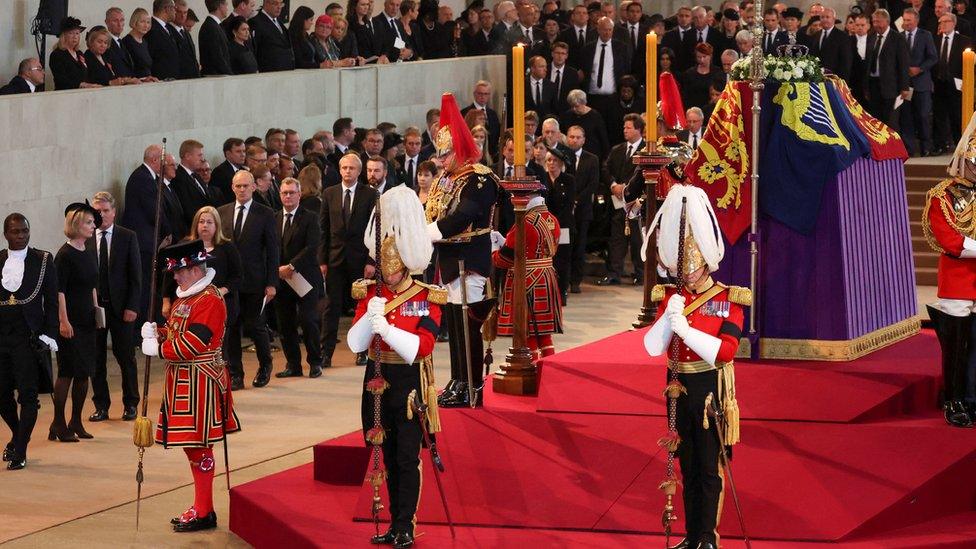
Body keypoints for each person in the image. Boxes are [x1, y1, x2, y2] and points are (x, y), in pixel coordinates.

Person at [643, 184, 750, 549]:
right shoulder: (673, 298)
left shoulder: (727, 299)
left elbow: (725, 352)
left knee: (708, 467)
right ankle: (690, 536)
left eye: (692, 270)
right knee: (685, 466)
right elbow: (652, 348)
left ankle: (708, 536)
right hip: (677, 389)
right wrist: (666, 320)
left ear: (706, 262)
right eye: (683, 272)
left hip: (709, 392)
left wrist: (685, 329)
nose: (687, 277)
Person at [348, 186, 445, 549]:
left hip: (408, 384)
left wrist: (385, 327)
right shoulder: (370, 294)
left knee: (406, 457)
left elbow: (422, 347)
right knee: (384, 456)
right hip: (375, 377)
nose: (386, 276)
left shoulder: (425, 296)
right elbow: (355, 345)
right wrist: (368, 319)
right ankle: (391, 522)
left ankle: (406, 523)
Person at [141, 239, 241, 532]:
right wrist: (158, 333)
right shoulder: (187, 297)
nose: (175, 276)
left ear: (196, 269)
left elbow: (193, 345)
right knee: (192, 448)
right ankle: (202, 506)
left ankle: (204, 510)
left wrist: (158, 350)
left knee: (199, 447)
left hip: (201, 380)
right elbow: (177, 332)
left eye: (179, 271)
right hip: (183, 380)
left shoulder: (208, 299)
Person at [425, 93, 499, 408]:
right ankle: (458, 379)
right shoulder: (447, 179)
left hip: (470, 259)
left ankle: (472, 385)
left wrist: (429, 232)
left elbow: (464, 215)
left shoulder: (479, 180)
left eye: (445, 155)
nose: (440, 161)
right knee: (454, 322)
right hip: (449, 258)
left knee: (468, 324)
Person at [923, 123, 976, 427]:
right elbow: (950, 240)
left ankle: (972, 397)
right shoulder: (942, 196)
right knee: (957, 346)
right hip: (958, 281)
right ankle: (954, 400)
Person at [0, 214, 59, 470]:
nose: (21, 235)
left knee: (28, 395)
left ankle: (21, 450)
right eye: (15, 232)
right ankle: (17, 434)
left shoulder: (43, 260)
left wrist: (49, 333)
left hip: (29, 338)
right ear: (6, 234)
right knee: (2, 395)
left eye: (25, 231)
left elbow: (52, 302)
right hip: (2, 338)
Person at [218, 171, 280, 390]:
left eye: (246, 186)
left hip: (256, 280)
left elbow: (273, 251)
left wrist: (272, 282)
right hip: (231, 283)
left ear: (254, 187)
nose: (242, 189)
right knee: (232, 327)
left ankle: (265, 365)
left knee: (256, 325)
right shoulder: (222, 212)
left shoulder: (265, 213)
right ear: (232, 187)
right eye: (238, 186)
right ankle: (236, 373)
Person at [491, 170, 562, 360]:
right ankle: (549, 369)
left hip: (528, 280)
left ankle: (532, 372)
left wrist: (493, 248)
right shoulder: (552, 219)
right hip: (546, 276)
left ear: (527, 197)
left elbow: (504, 260)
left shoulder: (524, 222)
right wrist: (505, 240)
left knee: (527, 332)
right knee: (544, 336)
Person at [87, 193, 141, 423]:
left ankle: (131, 403)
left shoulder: (127, 237)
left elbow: (136, 276)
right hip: (94, 310)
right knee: (96, 359)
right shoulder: (86, 238)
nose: (102, 215)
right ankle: (101, 405)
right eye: (97, 211)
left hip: (121, 309)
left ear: (114, 211)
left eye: (105, 210)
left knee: (125, 357)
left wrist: (132, 306)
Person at [319, 153, 377, 368]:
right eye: (344, 168)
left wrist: (372, 260)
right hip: (334, 260)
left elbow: (375, 230)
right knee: (331, 307)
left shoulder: (370, 195)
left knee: (361, 307)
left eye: (351, 168)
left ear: (359, 171)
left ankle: (361, 350)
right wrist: (322, 260)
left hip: (361, 261)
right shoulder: (329, 193)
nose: (347, 171)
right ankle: (326, 353)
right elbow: (323, 229)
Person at [162, 207, 242, 357]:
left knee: (226, 349)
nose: (205, 225)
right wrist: (166, 301)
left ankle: (233, 375)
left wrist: (222, 291)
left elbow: (238, 276)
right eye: (202, 222)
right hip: (189, 306)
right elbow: (170, 275)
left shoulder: (227, 247)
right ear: (196, 225)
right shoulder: (186, 244)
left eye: (209, 222)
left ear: (216, 225)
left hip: (221, 302)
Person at [52, 202, 100, 443]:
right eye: (89, 222)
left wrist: (96, 311)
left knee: (85, 373)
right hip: (70, 322)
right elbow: (59, 292)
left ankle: (76, 420)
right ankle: (59, 423)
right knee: (68, 372)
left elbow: (92, 284)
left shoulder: (88, 250)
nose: (94, 226)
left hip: (87, 320)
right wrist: (63, 321)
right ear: (76, 225)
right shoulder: (64, 255)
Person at [274, 178, 324, 378]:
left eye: (292, 192)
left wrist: (292, 266)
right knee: (285, 324)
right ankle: (293, 364)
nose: (288, 196)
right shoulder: (274, 217)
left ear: (299, 194)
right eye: (284, 192)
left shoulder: (310, 217)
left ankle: (315, 362)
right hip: (281, 278)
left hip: (305, 277)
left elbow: (312, 246)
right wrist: (278, 268)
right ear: (280, 195)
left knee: (308, 320)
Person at [598, 113, 645, 287]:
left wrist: (629, 188)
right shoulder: (617, 149)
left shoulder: (647, 149)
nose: (624, 130)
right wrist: (613, 185)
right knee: (617, 238)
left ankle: (640, 274)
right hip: (619, 202)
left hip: (638, 204)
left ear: (639, 129)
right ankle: (614, 273)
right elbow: (605, 169)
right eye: (624, 127)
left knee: (638, 240)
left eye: (628, 127)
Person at [565, 125, 600, 294]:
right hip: (565, 210)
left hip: (583, 209)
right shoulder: (563, 157)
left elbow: (593, 184)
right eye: (571, 137)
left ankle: (576, 281)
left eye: (578, 137)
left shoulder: (591, 159)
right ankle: (564, 279)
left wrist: (577, 200)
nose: (574, 140)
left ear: (584, 140)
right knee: (565, 245)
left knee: (579, 246)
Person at [541, 148, 576, 304]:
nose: (552, 163)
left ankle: (561, 292)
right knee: (547, 260)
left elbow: (568, 205)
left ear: (561, 163)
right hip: (544, 226)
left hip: (563, 226)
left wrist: (555, 224)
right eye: (549, 160)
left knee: (562, 260)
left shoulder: (568, 180)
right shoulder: (542, 180)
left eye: (555, 161)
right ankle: (548, 292)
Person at [932, 13, 971, 155]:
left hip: (957, 85)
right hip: (938, 84)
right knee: (939, 116)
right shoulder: (934, 40)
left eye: (946, 21)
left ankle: (960, 145)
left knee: (957, 116)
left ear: (953, 23)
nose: (942, 24)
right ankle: (942, 145)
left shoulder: (965, 41)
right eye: (940, 22)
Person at [865, 9, 911, 125]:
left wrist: (905, 86)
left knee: (890, 121)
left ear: (887, 22)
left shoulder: (898, 38)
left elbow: (903, 64)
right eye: (874, 22)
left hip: (891, 87)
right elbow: (868, 62)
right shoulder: (870, 37)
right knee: (875, 120)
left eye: (879, 22)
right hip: (873, 85)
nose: (876, 25)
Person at [581, 17, 631, 115]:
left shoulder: (621, 48)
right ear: (598, 30)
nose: (607, 33)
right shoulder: (588, 48)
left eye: (610, 30)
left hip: (613, 98)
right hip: (592, 97)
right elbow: (583, 70)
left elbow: (626, 69)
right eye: (604, 29)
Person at [50, 17, 100, 90]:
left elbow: (87, 74)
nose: (75, 36)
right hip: (65, 94)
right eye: (71, 33)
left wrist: (92, 84)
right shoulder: (57, 54)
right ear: (64, 35)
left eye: (77, 33)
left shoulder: (79, 53)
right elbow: (61, 79)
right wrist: (81, 84)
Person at [560, 89, 610, 159]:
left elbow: (603, 138)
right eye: (572, 106)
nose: (574, 109)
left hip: (592, 155)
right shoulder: (568, 115)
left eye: (577, 106)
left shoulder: (595, 116)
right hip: (571, 154)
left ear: (584, 103)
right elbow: (563, 135)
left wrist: (606, 157)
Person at [249, 0, 295, 72]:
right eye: (276, 3)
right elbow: (254, 49)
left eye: (281, 3)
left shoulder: (280, 22)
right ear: (266, 3)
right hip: (269, 72)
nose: (279, 7)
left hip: (286, 71)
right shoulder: (256, 22)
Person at [146, 0, 182, 80]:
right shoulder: (151, 29)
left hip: (173, 80)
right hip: (161, 82)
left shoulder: (168, 28)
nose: (175, 12)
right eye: (174, 8)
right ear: (166, 9)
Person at [200, 0, 234, 75]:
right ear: (220, 6)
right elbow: (217, 57)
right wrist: (230, 75)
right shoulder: (210, 27)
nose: (227, 8)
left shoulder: (215, 25)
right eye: (226, 4)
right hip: (216, 78)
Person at [123, 8, 157, 79]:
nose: (146, 25)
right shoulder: (127, 41)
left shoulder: (145, 42)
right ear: (134, 22)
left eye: (148, 22)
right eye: (142, 22)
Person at [173, 0, 201, 79]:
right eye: (179, 12)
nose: (182, 16)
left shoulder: (185, 33)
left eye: (185, 13)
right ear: (173, 11)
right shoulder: (169, 31)